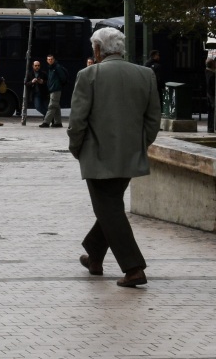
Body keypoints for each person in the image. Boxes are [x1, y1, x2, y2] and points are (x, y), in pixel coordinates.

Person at [68, 27, 160, 288]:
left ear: (98, 50)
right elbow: (153, 120)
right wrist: (139, 145)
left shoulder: (89, 75)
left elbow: (77, 121)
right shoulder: (145, 74)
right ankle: (94, 256)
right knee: (110, 207)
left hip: (97, 157)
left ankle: (133, 268)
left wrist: (77, 148)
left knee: (108, 209)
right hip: (130, 156)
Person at [40, 54, 69, 128]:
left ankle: (46, 122)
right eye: (49, 59)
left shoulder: (57, 67)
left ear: (54, 59)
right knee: (56, 106)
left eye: (51, 59)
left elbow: (62, 78)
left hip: (56, 89)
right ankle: (58, 122)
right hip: (53, 89)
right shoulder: (51, 68)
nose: (50, 60)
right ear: (47, 60)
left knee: (52, 106)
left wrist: (58, 85)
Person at [206, 58, 215, 134]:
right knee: (212, 111)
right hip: (212, 95)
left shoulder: (207, 72)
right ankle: (211, 127)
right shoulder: (211, 75)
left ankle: (210, 127)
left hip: (209, 94)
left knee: (210, 111)